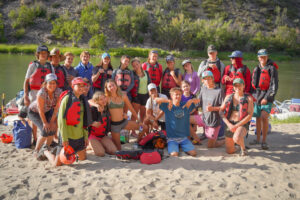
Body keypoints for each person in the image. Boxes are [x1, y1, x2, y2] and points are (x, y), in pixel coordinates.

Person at [43, 77, 93, 166]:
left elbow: (84, 121)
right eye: (79, 85)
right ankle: (46, 151)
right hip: (68, 136)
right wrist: (64, 138)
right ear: (73, 86)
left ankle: (58, 150)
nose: (82, 87)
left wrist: (85, 136)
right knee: (57, 164)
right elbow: (61, 120)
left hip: (79, 136)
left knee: (83, 158)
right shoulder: (67, 99)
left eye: (83, 85)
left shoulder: (83, 100)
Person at [23, 45, 54, 145]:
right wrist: (25, 95)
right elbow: (26, 81)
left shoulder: (50, 66)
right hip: (33, 93)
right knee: (34, 116)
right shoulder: (33, 65)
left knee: (45, 115)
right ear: (38, 54)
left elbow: (54, 81)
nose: (44, 55)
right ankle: (35, 138)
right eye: (42, 53)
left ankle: (45, 137)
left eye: (46, 53)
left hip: (46, 93)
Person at [155, 87, 199, 157]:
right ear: (172, 96)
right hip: (171, 138)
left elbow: (197, 101)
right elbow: (156, 99)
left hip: (183, 138)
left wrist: (191, 101)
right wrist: (168, 101)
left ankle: (181, 146)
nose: (178, 96)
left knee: (194, 153)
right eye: (176, 94)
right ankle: (176, 147)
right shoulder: (167, 106)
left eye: (179, 94)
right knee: (174, 154)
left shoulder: (184, 105)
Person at [104, 79, 147, 150]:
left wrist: (139, 121)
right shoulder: (106, 98)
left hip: (124, 123)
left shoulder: (123, 96)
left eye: (113, 85)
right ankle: (112, 139)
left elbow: (132, 110)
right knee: (119, 149)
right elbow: (92, 101)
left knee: (143, 128)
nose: (112, 87)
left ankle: (137, 142)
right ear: (107, 89)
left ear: (116, 85)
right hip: (114, 126)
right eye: (109, 86)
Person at [27, 73, 62, 159]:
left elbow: (56, 108)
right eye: (50, 83)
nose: (52, 85)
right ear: (45, 84)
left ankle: (46, 147)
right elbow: (40, 110)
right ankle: (36, 150)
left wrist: (52, 122)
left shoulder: (59, 92)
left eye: (54, 83)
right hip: (34, 112)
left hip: (48, 110)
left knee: (53, 129)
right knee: (45, 130)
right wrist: (45, 122)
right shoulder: (41, 93)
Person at [250, 49, 279, 150]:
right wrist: (252, 96)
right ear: (258, 57)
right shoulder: (256, 68)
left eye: (264, 57)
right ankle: (257, 139)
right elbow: (252, 85)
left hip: (268, 95)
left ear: (267, 57)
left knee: (264, 117)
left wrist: (267, 98)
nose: (262, 58)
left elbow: (274, 86)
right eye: (261, 57)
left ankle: (264, 141)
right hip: (257, 95)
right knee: (257, 117)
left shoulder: (272, 68)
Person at [190, 71, 225, 148]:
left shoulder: (219, 91)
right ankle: (196, 138)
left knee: (210, 146)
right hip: (203, 118)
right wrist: (190, 106)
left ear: (213, 79)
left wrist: (212, 108)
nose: (207, 80)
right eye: (205, 79)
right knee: (185, 118)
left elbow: (223, 108)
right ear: (202, 81)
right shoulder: (203, 89)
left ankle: (225, 140)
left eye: (209, 78)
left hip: (213, 122)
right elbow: (198, 103)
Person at [219, 78, 254, 156]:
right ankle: (237, 146)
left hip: (242, 123)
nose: (238, 87)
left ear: (243, 86)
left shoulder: (249, 98)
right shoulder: (228, 97)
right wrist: (229, 124)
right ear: (233, 87)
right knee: (229, 151)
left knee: (237, 138)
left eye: (240, 85)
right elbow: (221, 111)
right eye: (235, 85)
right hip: (230, 123)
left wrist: (236, 126)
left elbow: (249, 115)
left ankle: (243, 149)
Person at [88, 91, 117, 156]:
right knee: (100, 153)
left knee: (113, 151)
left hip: (103, 135)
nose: (104, 100)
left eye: (104, 98)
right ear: (96, 101)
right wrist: (92, 123)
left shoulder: (107, 108)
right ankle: (89, 145)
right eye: (101, 99)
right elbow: (84, 121)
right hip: (92, 135)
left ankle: (98, 145)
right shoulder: (92, 109)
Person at [130, 57, 151, 122]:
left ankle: (141, 130)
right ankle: (132, 131)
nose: (136, 66)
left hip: (145, 96)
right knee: (134, 114)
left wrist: (150, 95)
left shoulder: (146, 73)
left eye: (137, 64)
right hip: (136, 96)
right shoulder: (132, 74)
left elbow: (149, 84)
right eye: (134, 66)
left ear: (140, 64)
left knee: (143, 115)